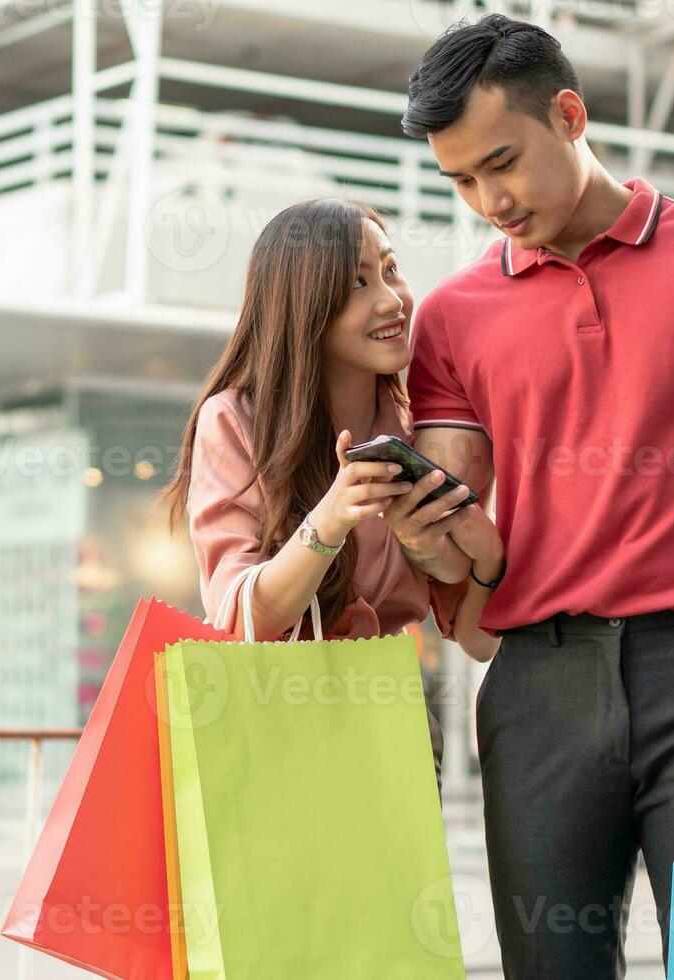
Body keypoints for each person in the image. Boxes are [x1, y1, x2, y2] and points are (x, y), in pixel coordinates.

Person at [395, 14, 674, 977]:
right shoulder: (451, 319)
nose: (489, 200)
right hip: (540, 688)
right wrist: (418, 529)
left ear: (569, 113)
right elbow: (463, 538)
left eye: (502, 163)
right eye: (461, 181)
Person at [160, 197, 505, 792]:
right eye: (357, 284)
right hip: (276, 719)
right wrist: (332, 517)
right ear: (306, 308)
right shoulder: (236, 420)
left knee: (394, 886)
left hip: (393, 718)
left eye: (391, 270)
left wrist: (482, 557)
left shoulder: (419, 428)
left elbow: (475, 634)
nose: (391, 300)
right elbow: (242, 619)